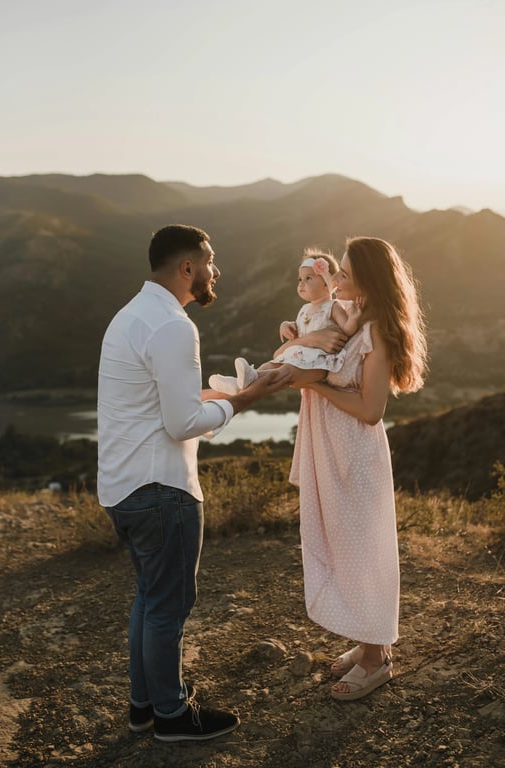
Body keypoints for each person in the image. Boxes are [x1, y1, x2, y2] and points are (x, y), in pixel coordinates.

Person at [97, 224, 292, 741]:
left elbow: (163, 401)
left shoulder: (131, 315)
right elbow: (182, 423)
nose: (215, 270)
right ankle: (173, 716)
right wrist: (248, 400)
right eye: (210, 260)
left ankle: (144, 707)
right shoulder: (174, 326)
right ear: (187, 268)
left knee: (149, 598)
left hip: (123, 487)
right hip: (162, 491)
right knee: (168, 607)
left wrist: (229, 393)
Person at [284, 236, 427, 701]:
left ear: (367, 281)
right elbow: (317, 345)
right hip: (331, 448)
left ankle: (375, 658)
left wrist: (315, 386)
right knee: (345, 548)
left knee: (364, 551)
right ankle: (370, 641)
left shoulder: (377, 331)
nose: (336, 279)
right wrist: (296, 338)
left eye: (344, 273)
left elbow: (370, 410)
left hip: (356, 455)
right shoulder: (349, 317)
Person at [208, 249, 362, 395]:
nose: (301, 283)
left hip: (317, 363)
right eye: (300, 279)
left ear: (327, 284)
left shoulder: (333, 306)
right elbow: (300, 330)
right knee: (271, 364)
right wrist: (286, 326)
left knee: (285, 371)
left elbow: (347, 330)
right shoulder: (305, 309)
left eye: (308, 278)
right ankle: (240, 382)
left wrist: (354, 318)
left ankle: (250, 380)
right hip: (298, 356)